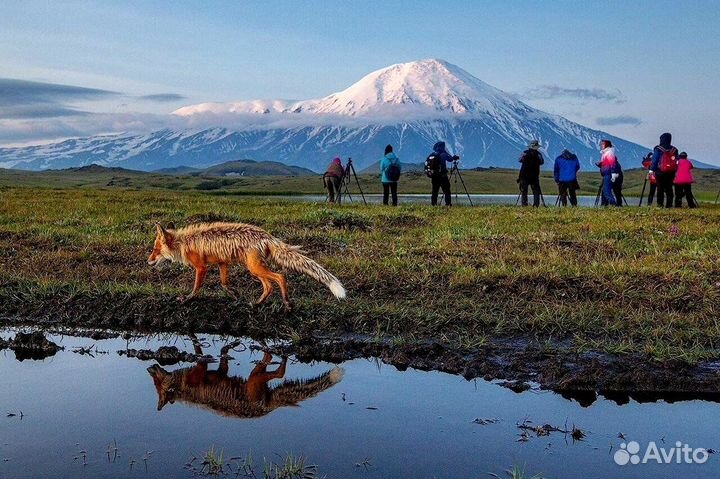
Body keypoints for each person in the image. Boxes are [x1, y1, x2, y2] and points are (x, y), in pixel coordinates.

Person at [650, 132, 679, 208]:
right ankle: (669, 205)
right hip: (671, 172)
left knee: (660, 188)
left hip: (660, 172)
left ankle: (660, 204)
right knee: (669, 188)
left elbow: (655, 160)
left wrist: (652, 169)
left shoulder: (658, 149)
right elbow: (677, 161)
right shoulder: (674, 150)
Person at [425, 141, 457, 206]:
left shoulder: (432, 154)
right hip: (443, 176)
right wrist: (453, 157)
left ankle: (434, 205)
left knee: (435, 191)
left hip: (434, 176)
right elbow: (450, 159)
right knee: (447, 191)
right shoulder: (443, 154)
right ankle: (448, 205)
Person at [517, 140, 545, 207]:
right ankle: (536, 205)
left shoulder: (524, 153)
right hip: (534, 176)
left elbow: (519, 160)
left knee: (524, 191)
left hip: (524, 175)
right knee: (536, 192)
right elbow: (542, 162)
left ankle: (524, 205)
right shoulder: (538, 154)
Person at [596, 139, 618, 206]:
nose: (601, 145)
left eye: (603, 144)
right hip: (606, 173)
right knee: (604, 190)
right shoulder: (605, 153)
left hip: (608, 174)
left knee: (606, 191)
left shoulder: (609, 153)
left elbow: (612, 163)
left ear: (606, 145)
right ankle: (604, 205)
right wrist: (601, 164)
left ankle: (613, 204)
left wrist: (613, 173)